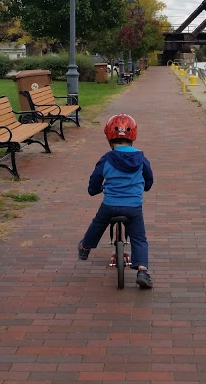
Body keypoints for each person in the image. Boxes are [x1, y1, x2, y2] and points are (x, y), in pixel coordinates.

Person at [78, 113, 155, 288]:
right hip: (133, 207)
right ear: (132, 137)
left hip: (110, 205)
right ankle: (142, 270)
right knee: (139, 238)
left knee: (97, 224)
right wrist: (145, 187)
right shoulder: (140, 158)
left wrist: (94, 190)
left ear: (109, 138)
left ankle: (85, 248)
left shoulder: (106, 159)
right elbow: (149, 178)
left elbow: (96, 179)